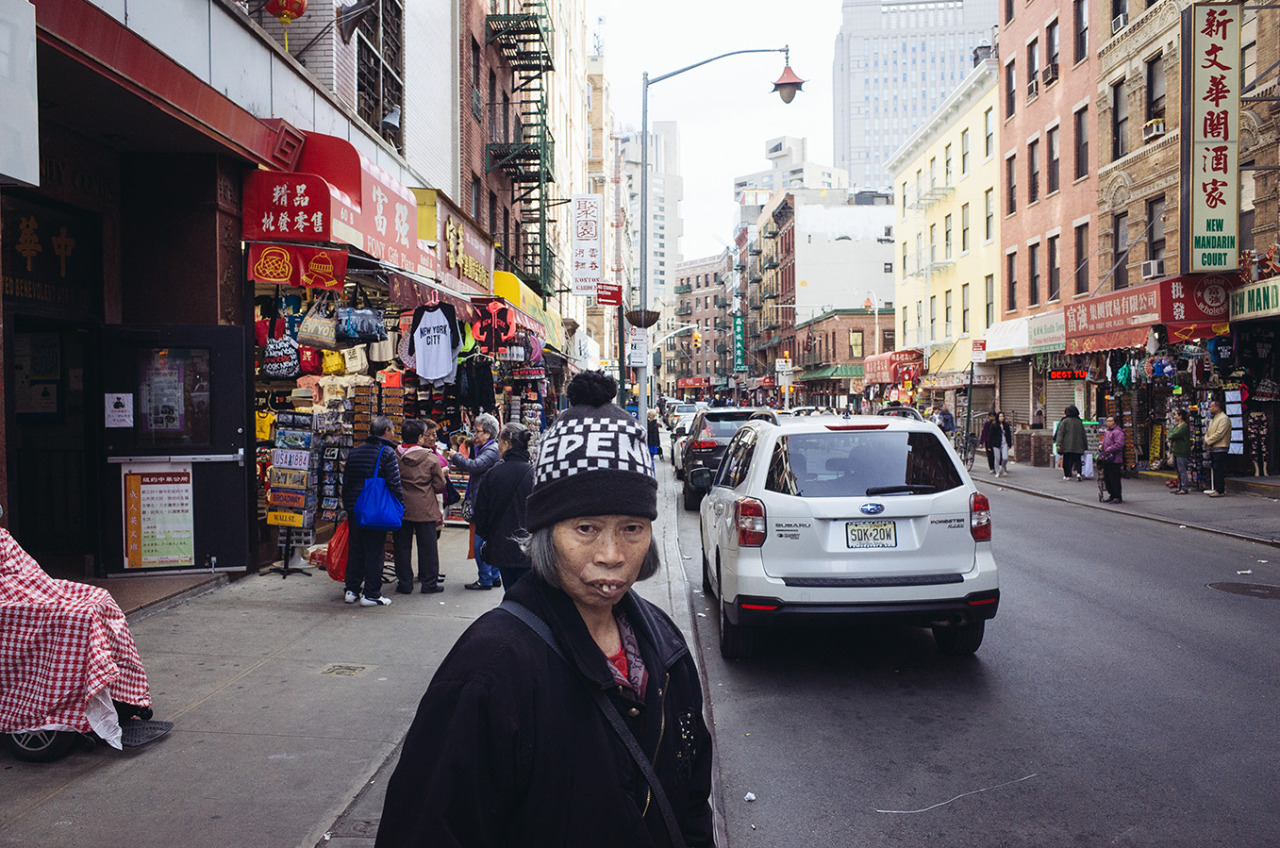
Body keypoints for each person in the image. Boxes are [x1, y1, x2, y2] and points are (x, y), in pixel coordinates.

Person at [375, 370, 714, 847]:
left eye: (632, 528)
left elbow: (693, 803)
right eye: (586, 528)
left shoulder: (666, 645)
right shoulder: (489, 671)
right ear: (545, 532)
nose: (612, 555)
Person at [341, 416, 404, 607]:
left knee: (356, 549)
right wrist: (400, 504)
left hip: (355, 508)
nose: (393, 433)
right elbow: (394, 482)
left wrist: (348, 505)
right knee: (375, 551)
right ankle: (371, 593)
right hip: (375, 509)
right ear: (386, 431)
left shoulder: (355, 452)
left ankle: (351, 589)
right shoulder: (387, 452)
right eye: (392, 430)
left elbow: (347, 482)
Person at [472, 422, 535, 591]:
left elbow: (481, 515)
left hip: (501, 548)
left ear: (507, 443)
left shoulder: (493, 474)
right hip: (528, 549)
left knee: (511, 594)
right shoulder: (534, 474)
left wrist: (489, 536)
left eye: (500, 441)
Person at [447, 413, 502, 589]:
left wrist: (456, 456)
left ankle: (485, 578)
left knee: (480, 543)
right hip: (486, 502)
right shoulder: (488, 448)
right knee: (487, 541)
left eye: (478, 431)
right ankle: (493, 576)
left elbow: (475, 466)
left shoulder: (491, 450)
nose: (474, 434)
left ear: (488, 433)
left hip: (485, 504)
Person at [393, 419, 447, 595]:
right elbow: (440, 484)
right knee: (428, 547)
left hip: (401, 507)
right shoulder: (430, 458)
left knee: (402, 547)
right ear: (419, 438)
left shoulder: (395, 456)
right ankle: (429, 583)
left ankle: (404, 583)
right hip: (425, 506)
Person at [1203, 398, 1232, 497]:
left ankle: (1220, 490)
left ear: (1217, 407)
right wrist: (1207, 440)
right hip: (1214, 447)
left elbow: (1219, 433)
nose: (1210, 409)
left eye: (1211, 406)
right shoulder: (1214, 419)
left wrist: (1208, 441)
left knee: (1218, 468)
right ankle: (1216, 488)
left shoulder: (1224, 418)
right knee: (1215, 468)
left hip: (1221, 447)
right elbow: (1208, 432)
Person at [1055, 405, 1087, 481]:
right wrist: (1085, 445)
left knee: (1067, 460)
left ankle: (1067, 475)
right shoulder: (1079, 422)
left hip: (1067, 445)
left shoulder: (1065, 421)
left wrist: (1058, 444)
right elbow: (1083, 434)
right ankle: (1079, 474)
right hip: (1078, 445)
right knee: (1078, 460)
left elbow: (1060, 433)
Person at [1099, 415, 1126, 504]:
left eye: (1110, 421)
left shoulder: (1118, 432)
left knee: (1114, 478)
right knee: (1107, 478)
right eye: (1107, 421)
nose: (1108, 422)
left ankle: (1117, 496)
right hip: (1107, 458)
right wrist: (1101, 446)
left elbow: (1119, 444)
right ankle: (1112, 495)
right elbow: (1104, 442)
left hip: (1114, 458)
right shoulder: (1107, 431)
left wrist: (1109, 449)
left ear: (1114, 422)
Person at [1168, 408, 1192, 494]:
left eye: (1176, 415)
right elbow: (1170, 434)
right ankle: (1180, 486)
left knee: (1182, 470)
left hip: (1182, 450)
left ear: (1180, 416)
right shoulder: (1177, 426)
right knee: (1178, 470)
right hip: (1176, 450)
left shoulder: (1184, 426)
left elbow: (1175, 434)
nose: (1174, 416)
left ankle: (1184, 487)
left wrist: (1171, 435)